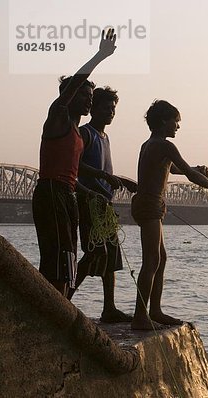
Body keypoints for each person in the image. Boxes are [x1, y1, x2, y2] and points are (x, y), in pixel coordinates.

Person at [130, 100, 208, 330]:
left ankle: (155, 310)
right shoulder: (165, 146)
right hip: (149, 206)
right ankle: (140, 316)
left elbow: (175, 168)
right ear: (163, 122)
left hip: (148, 205)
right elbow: (188, 175)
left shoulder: (150, 144)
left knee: (161, 259)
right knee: (152, 261)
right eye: (175, 122)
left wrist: (198, 169)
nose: (177, 126)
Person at [33, 29, 119, 297]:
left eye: (90, 96)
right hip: (50, 193)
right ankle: (51, 311)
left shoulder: (77, 135)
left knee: (68, 255)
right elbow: (75, 83)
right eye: (84, 95)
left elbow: (72, 175)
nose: (89, 99)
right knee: (57, 256)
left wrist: (91, 192)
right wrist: (100, 55)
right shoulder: (58, 118)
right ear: (70, 97)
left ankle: (61, 304)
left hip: (68, 194)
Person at [67, 86, 138, 323]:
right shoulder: (86, 133)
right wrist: (104, 177)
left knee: (111, 257)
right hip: (89, 202)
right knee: (96, 253)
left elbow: (106, 170)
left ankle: (109, 308)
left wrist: (125, 182)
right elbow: (75, 164)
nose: (111, 112)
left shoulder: (105, 137)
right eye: (106, 108)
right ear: (94, 109)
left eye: (113, 108)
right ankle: (65, 297)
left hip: (105, 204)